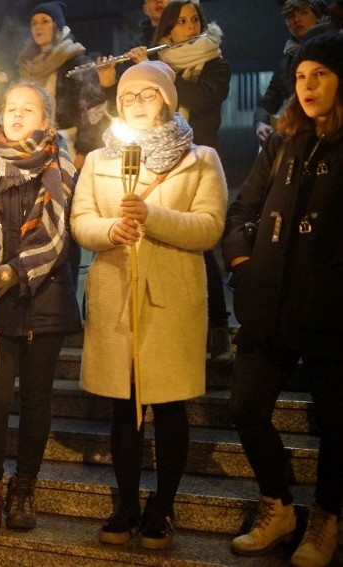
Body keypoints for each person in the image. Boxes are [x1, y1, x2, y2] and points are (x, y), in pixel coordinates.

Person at [71, 61, 227, 550]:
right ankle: (126, 504)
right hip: (117, 292)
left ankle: (163, 506)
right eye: (128, 97)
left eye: (147, 95)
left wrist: (151, 216)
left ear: (167, 100)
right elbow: (82, 218)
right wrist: (109, 231)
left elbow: (209, 227)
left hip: (171, 299)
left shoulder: (200, 158)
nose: (137, 104)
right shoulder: (99, 159)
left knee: (169, 405)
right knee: (123, 405)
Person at [225, 32, 343, 567]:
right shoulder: (282, 140)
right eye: (299, 76)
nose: (307, 85)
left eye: (319, 73)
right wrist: (243, 266)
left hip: (328, 312)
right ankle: (278, 506)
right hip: (267, 302)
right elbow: (241, 211)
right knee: (246, 407)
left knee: (337, 422)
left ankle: (328, 516)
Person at [0, 81, 81, 535]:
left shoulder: (62, 165)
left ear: (46, 120)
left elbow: (63, 234)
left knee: (35, 400)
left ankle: (23, 487)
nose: (15, 116)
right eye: (10, 108)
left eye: (27, 109)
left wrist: (16, 269)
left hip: (44, 300)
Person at [100, 0, 234, 365]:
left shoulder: (215, 62)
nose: (190, 27)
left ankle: (218, 330)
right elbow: (130, 109)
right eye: (181, 22)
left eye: (195, 20)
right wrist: (111, 84)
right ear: (168, 30)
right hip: (147, 158)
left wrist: (153, 71)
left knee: (200, 248)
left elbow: (201, 98)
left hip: (195, 158)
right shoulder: (153, 61)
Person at [17, 1, 110, 170]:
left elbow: (93, 112)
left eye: (45, 21)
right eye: (34, 23)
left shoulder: (76, 61)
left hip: (68, 148)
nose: (38, 27)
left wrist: (83, 153)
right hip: (33, 148)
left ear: (58, 25)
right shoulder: (28, 66)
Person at [254, 0, 334, 145]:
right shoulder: (285, 65)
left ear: (317, 16)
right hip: (301, 140)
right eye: (291, 16)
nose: (297, 19)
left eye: (304, 13)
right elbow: (266, 104)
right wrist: (261, 124)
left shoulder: (335, 49)